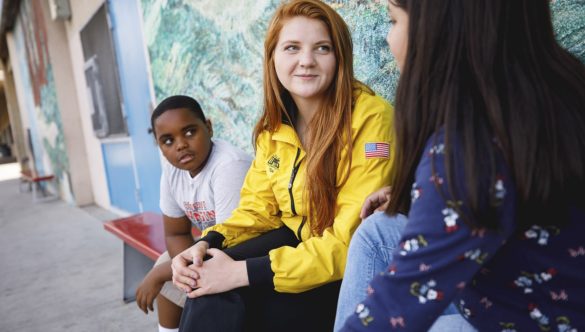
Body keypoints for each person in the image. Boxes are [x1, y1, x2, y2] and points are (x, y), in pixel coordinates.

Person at [339, 0, 585, 330]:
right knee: (377, 231)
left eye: (393, 21)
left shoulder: (467, 151)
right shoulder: (558, 85)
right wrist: (423, 197)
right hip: (546, 291)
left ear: (439, 29)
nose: (388, 39)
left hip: (533, 316)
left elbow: (393, 307)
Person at [171, 1, 396, 331]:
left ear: (340, 58)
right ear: (273, 56)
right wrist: (207, 244)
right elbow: (256, 209)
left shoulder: (371, 119)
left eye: (322, 48)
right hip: (297, 247)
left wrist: (242, 272)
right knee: (205, 284)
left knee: (238, 302)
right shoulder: (274, 127)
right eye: (292, 48)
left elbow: (350, 243)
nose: (306, 61)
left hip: (349, 271)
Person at [135, 95, 252, 332]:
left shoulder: (229, 166)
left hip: (249, 249)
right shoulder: (172, 172)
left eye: (189, 132)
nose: (180, 145)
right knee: (168, 263)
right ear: (159, 146)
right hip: (210, 248)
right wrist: (184, 269)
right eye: (168, 141)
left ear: (208, 127)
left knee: (164, 270)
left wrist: (159, 275)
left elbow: (231, 243)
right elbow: (176, 234)